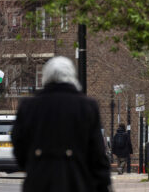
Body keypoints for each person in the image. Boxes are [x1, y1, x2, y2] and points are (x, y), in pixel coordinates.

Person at [12, 56, 111, 192]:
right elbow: (97, 153)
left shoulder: (28, 107)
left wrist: (33, 163)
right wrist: (102, 182)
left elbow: (19, 146)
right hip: (77, 182)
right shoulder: (87, 106)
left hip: (38, 182)